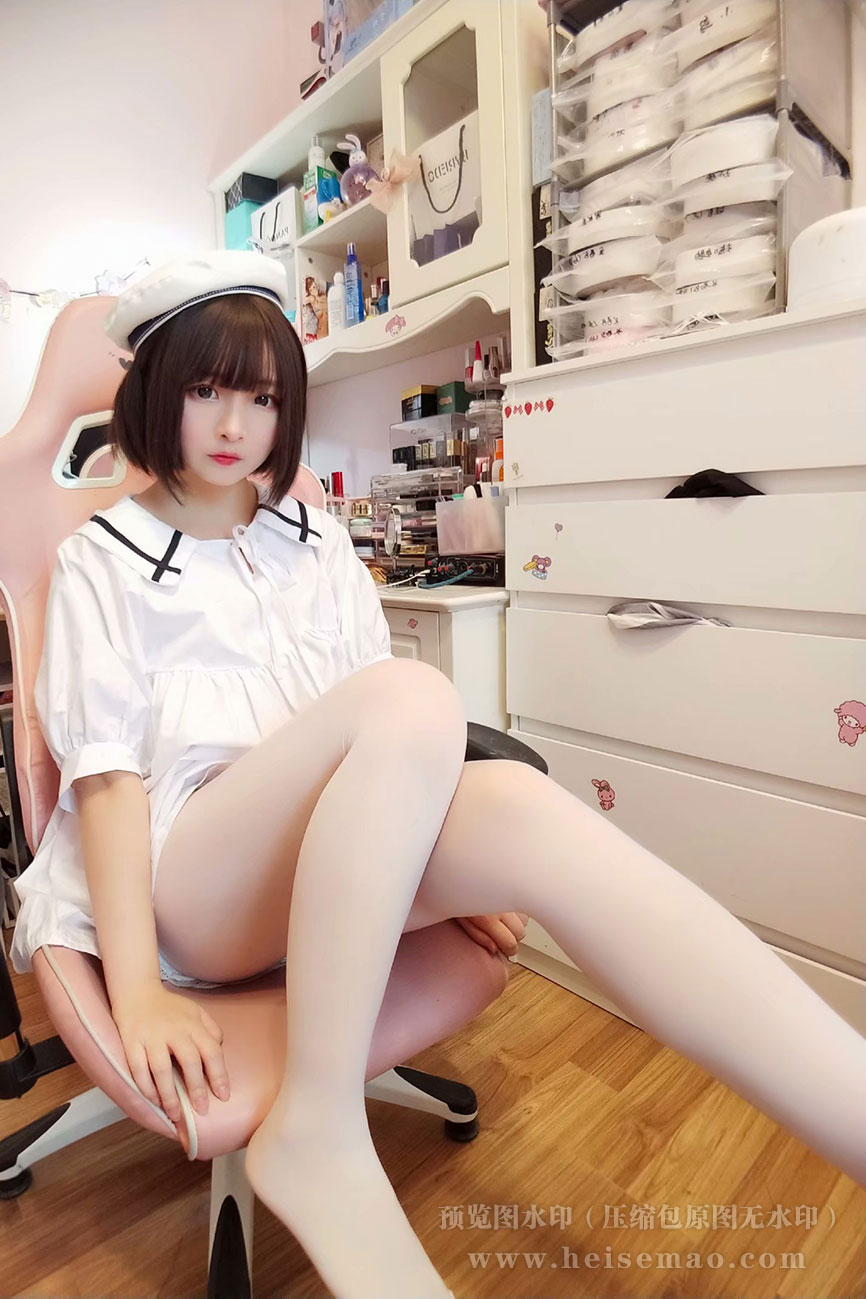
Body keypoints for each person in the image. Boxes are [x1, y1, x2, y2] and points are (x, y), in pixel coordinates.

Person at [10, 251, 866, 1299]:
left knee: (519, 808)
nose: (236, 424)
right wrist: (137, 987)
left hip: (324, 870)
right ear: (154, 391)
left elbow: (376, 766)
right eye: (205, 390)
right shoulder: (101, 558)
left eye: (263, 398)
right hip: (190, 886)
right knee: (414, 696)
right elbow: (105, 783)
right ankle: (318, 1126)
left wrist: (460, 874)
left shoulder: (314, 542)